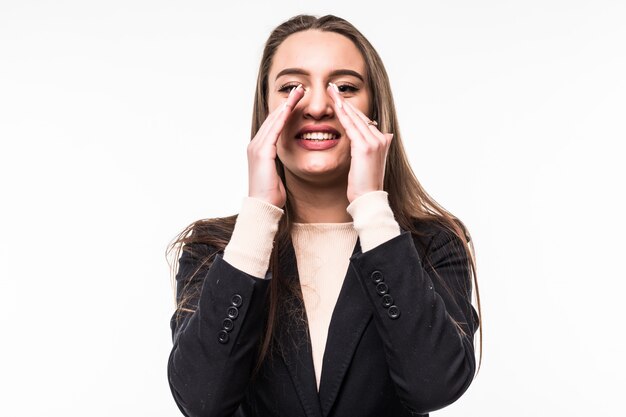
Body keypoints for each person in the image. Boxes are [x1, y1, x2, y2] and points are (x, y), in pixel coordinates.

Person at [167, 14, 482, 417]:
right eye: (292, 88)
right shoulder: (213, 249)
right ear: (265, 109)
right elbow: (202, 400)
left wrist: (372, 206)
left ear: (375, 109)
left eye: (345, 88)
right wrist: (259, 213)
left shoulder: (434, 245)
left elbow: (434, 386)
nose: (316, 106)